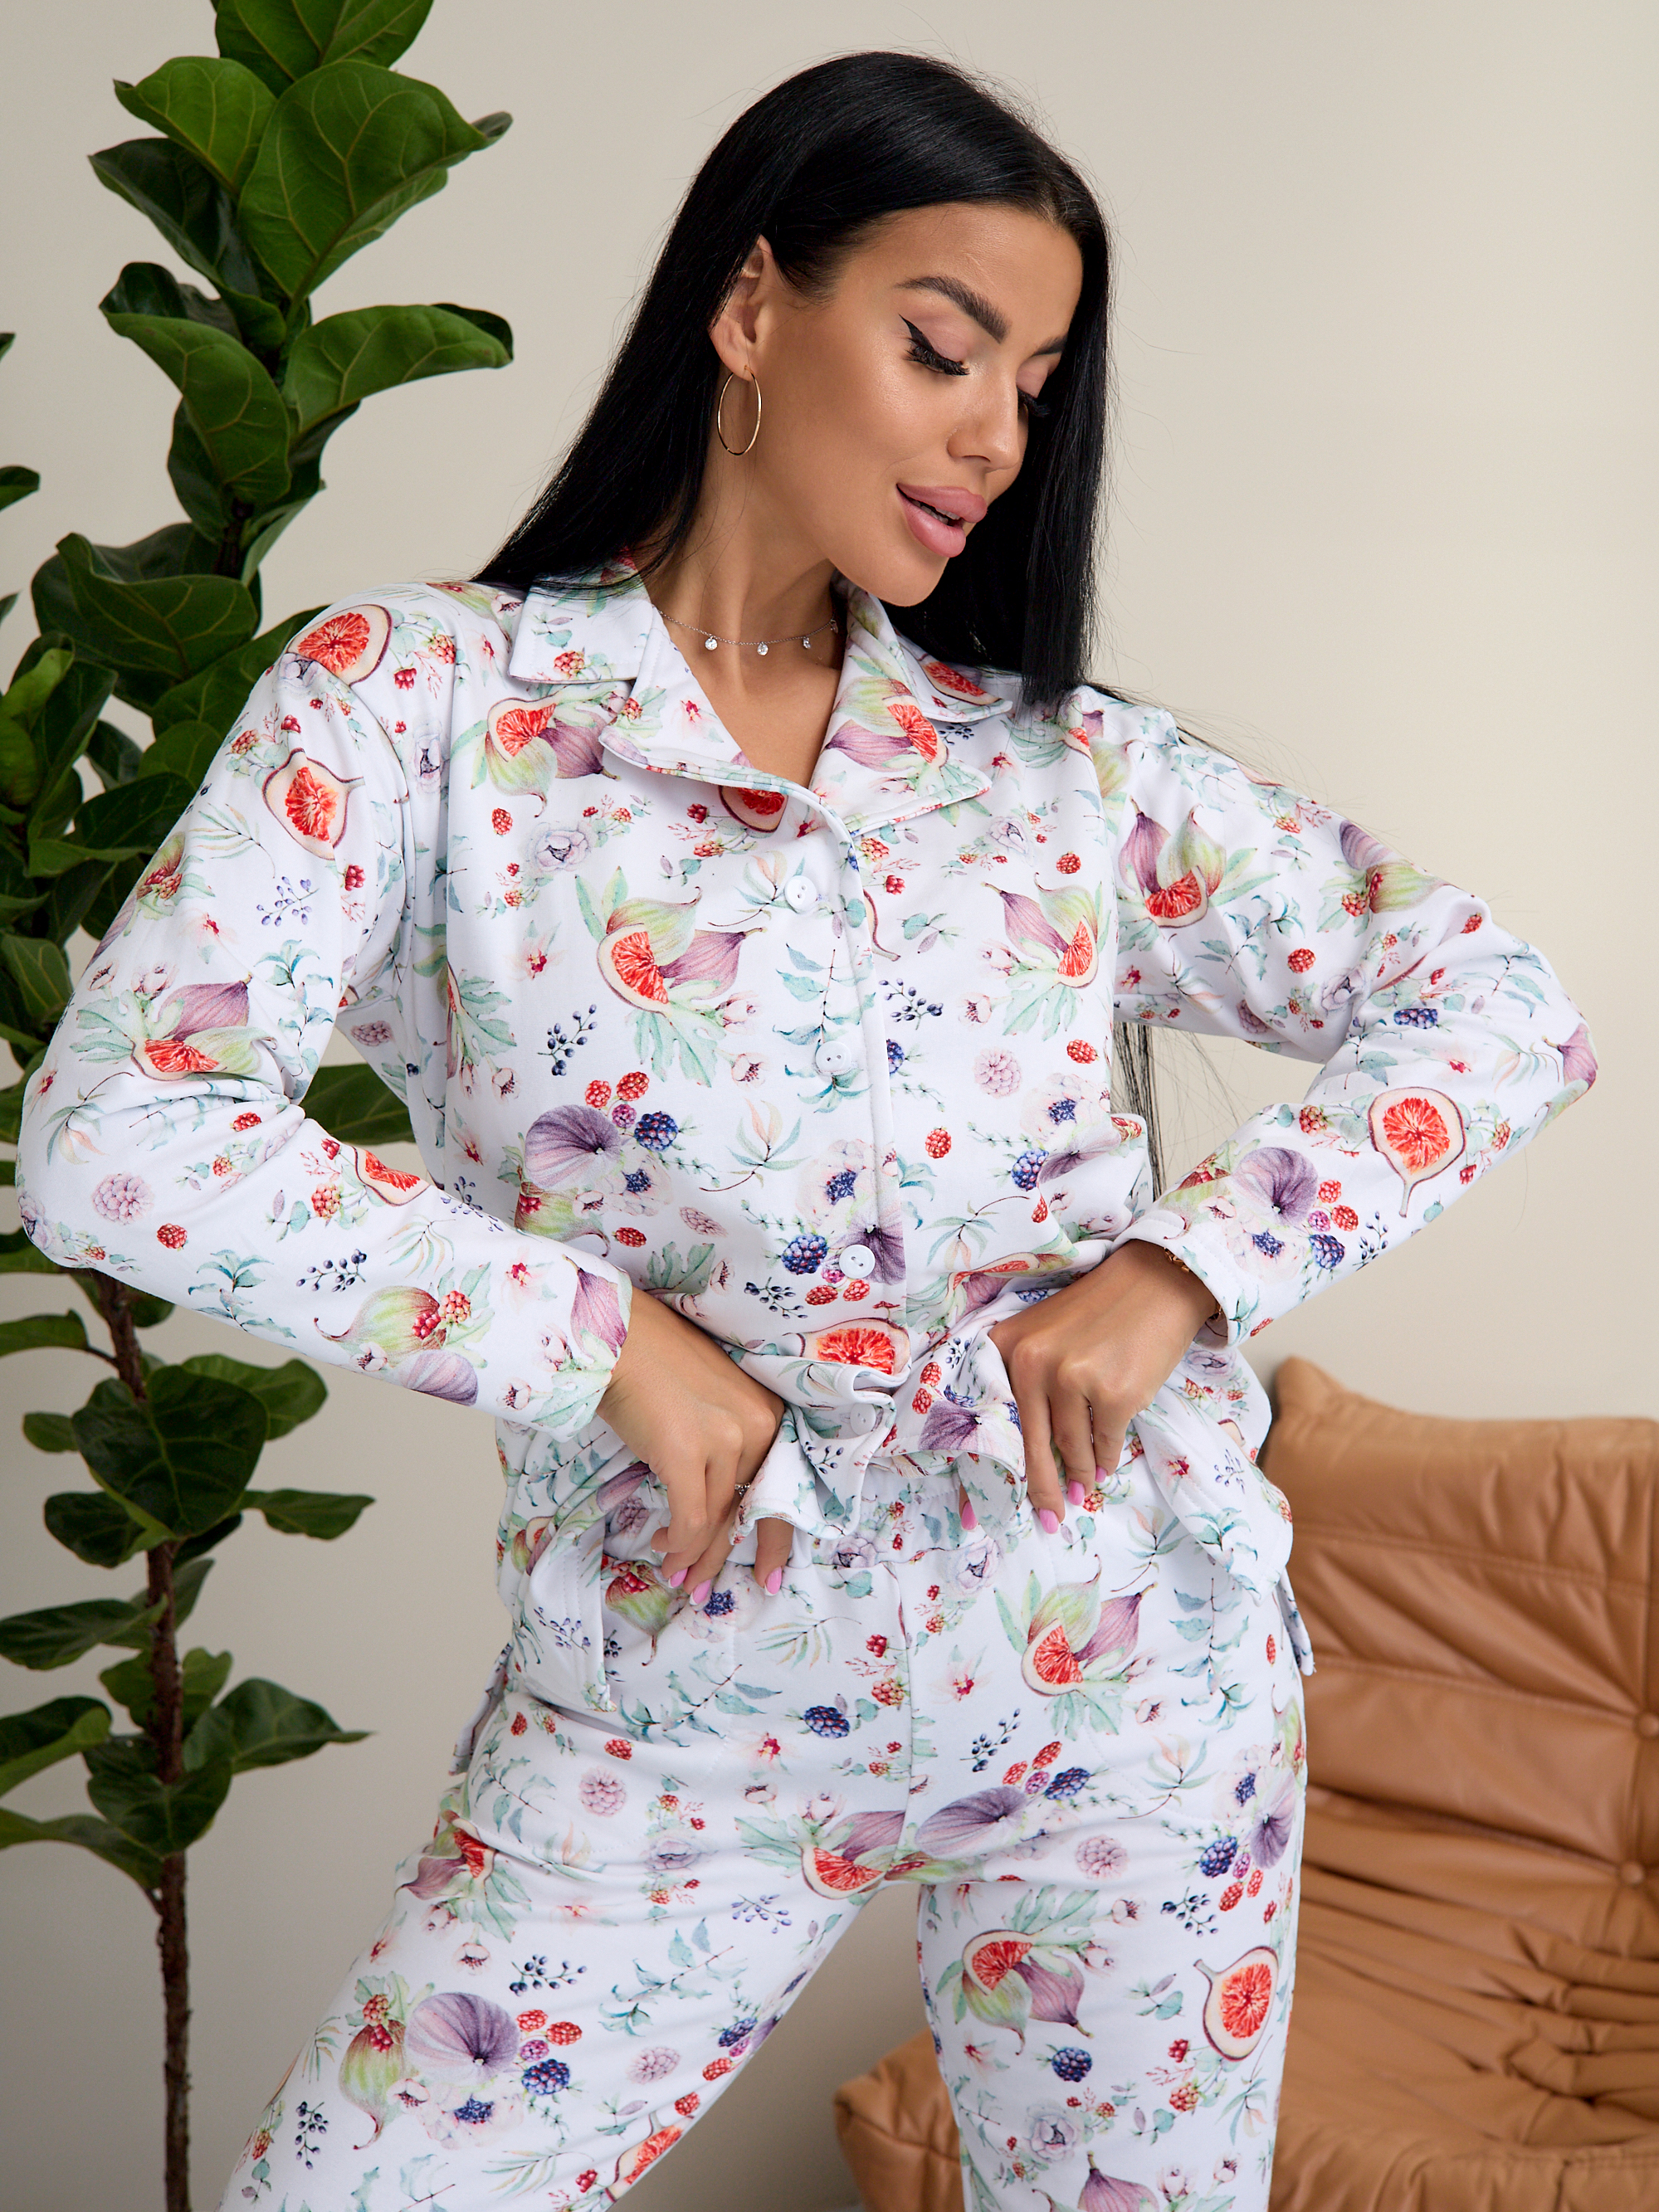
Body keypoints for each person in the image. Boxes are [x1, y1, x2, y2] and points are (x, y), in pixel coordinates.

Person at [17, 49, 1594, 2212]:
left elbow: (1497, 1005)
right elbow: (118, 1128)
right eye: (944, 346)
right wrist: (602, 1342)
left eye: (1035, 383)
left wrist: (1184, 1268)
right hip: (681, 1710)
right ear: (753, 307)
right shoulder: (425, 705)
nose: (995, 434)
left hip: (1132, 1691)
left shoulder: (1062, 770)